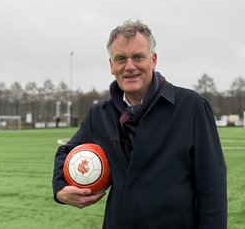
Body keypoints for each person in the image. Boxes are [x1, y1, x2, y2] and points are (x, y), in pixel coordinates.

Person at [52, 20, 227, 228]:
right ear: (111, 66)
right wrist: (60, 189)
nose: (129, 66)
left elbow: (212, 188)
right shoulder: (100, 114)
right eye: (120, 59)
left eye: (138, 57)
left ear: (153, 60)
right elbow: (66, 151)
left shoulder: (192, 107)